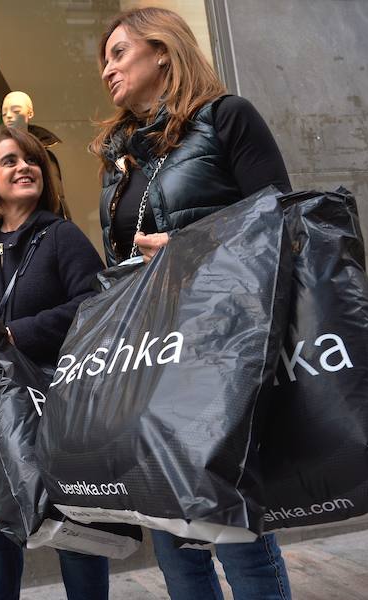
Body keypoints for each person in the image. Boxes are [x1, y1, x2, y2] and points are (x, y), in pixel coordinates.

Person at [92, 7, 293, 599]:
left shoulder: (227, 117)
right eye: (104, 59)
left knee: (233, 528)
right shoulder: (121, 156)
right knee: (171, 535)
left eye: (119, 53)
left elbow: (283, 222)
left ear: (162, 50)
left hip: (217, 347)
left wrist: (188, 248)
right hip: (150, 357)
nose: (106, 69)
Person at [0, 126, 107, 600]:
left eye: (31, 159)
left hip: (56, 406)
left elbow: (95, 302)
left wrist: (16, 334)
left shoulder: (61, 236)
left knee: (74, 531)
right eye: (9, 160)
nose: (24, 167)